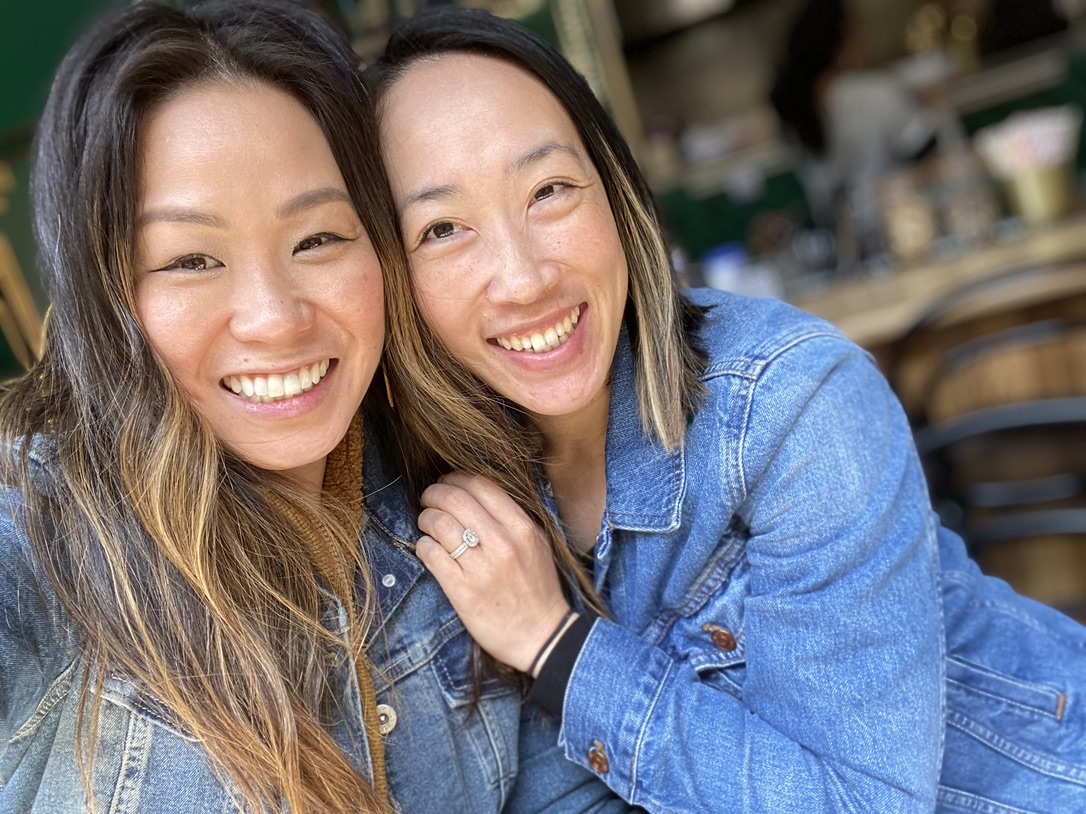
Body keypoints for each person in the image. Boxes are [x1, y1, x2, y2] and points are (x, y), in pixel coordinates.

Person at [367, 6, 1086, 813]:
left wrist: (555, 647)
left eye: (550, 190)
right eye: (443, 229)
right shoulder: (424, 500)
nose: (524, 278)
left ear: (617, 195)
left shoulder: (788, 406)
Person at [0, 2, 634, 812]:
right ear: (106, 296)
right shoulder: (48, 539)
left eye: (317, 240)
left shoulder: (445, 492)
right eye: (192, 260)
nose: (275, 319)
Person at [769, 0, 958, 257]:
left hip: (843, 245)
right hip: (905, 232)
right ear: (842, 42)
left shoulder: (798, 109)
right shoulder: (873, 92)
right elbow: (929, 153)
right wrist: (932, 108)